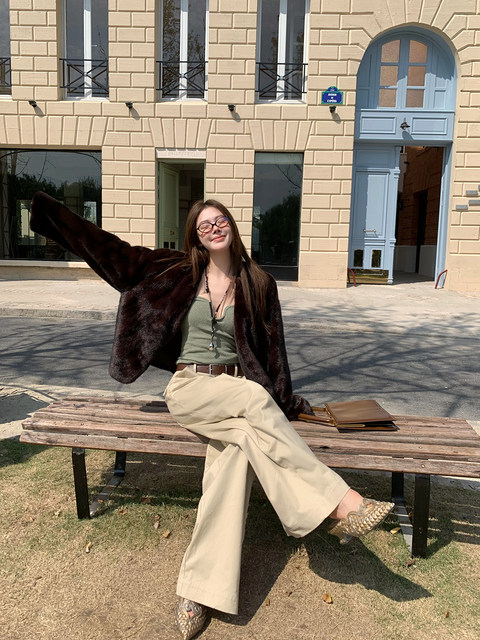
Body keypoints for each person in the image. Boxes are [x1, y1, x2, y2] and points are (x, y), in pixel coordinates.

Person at [30, 192, 394, 640]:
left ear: (232, 226)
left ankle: (199, 592)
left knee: (236, 455)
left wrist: (286, 401)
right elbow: (111, 252)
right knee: (253, 400)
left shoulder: (259, 283)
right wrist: (52, 214)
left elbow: (274, 351)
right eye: (204, 225)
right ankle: (340, 504)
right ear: (196, 236)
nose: (213, 228)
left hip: (237, 392)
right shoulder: (173, 270)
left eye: (219, 220)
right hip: (190, 388)